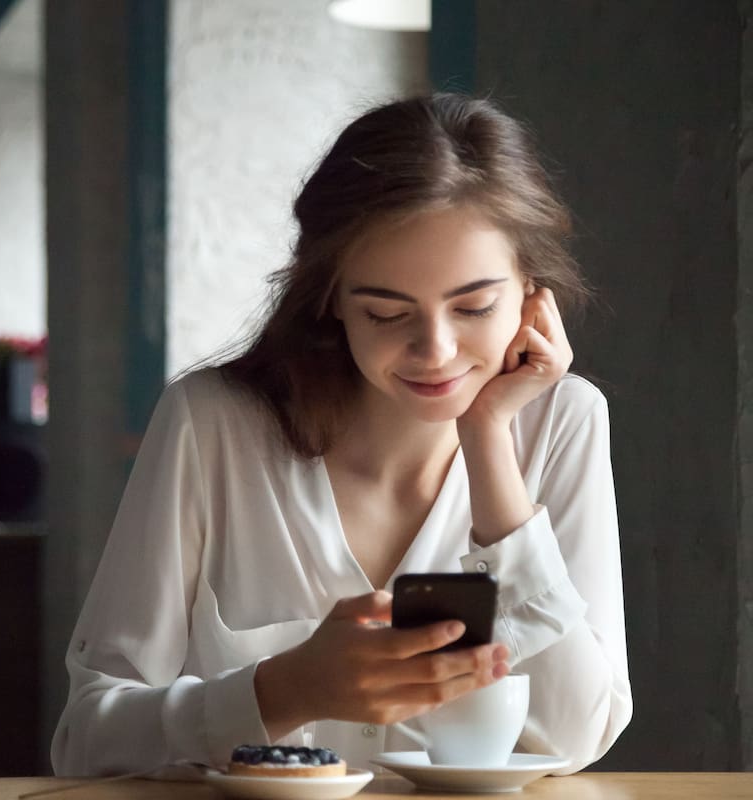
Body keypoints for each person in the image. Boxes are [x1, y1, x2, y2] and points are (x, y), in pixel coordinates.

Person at [51, 94, 632, 777]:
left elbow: (579, 735)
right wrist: (287, 689)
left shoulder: (562, 422)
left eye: (474, 306)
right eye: (386, 313)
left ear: (533, 293)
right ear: (329, 296)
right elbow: (85, 741)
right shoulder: (212, 424)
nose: (435, 351)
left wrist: (489, 448)